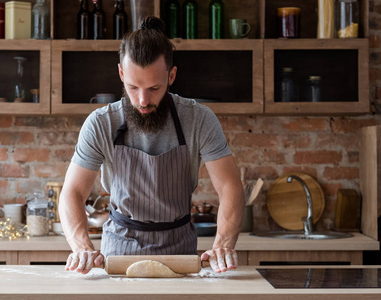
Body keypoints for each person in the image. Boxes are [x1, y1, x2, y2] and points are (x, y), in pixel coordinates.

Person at [59, 16, 245, 275]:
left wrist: (223, 244)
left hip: (179, 252)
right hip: (118, 254)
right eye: (133, 87)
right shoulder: (101, 123)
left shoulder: (199, 119)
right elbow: (72, 193)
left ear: (172, 76)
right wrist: (81, 247)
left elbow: (230, 186)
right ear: (121, 73)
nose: (143, 100)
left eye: (154, 88)